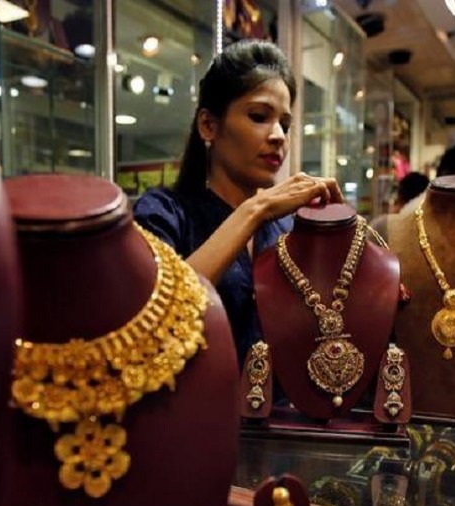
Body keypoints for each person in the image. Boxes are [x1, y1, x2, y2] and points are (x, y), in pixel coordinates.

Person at [133, 40, 343, 361]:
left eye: (285, 125)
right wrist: (256, 210)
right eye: (259, 116)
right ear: (209, 125)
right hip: (198, 407)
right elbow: (159, 318)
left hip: (282, 409)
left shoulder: (286, 229)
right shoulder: (164, 213)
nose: (278, 136)